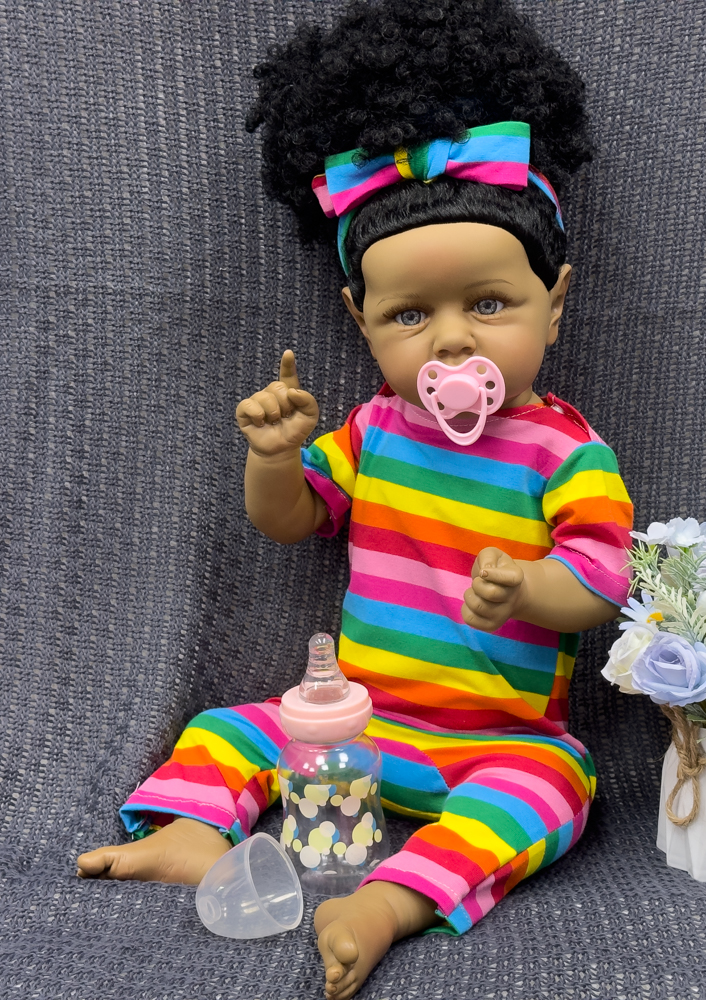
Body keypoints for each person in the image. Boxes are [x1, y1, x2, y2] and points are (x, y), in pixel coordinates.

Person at [77, 2, 633, 997]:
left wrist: (528, 588)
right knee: (229, 727)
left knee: (555, 791)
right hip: (355, 725)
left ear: (554, 304)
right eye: (411, 314)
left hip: (496, 740)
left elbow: (601, 583)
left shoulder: (568, 454)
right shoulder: (375, 431)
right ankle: (189, 834)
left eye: (490, 304)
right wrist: (275, 456)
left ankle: (393, 900)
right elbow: (289, 519)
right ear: (360, 319)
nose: (452, 341)